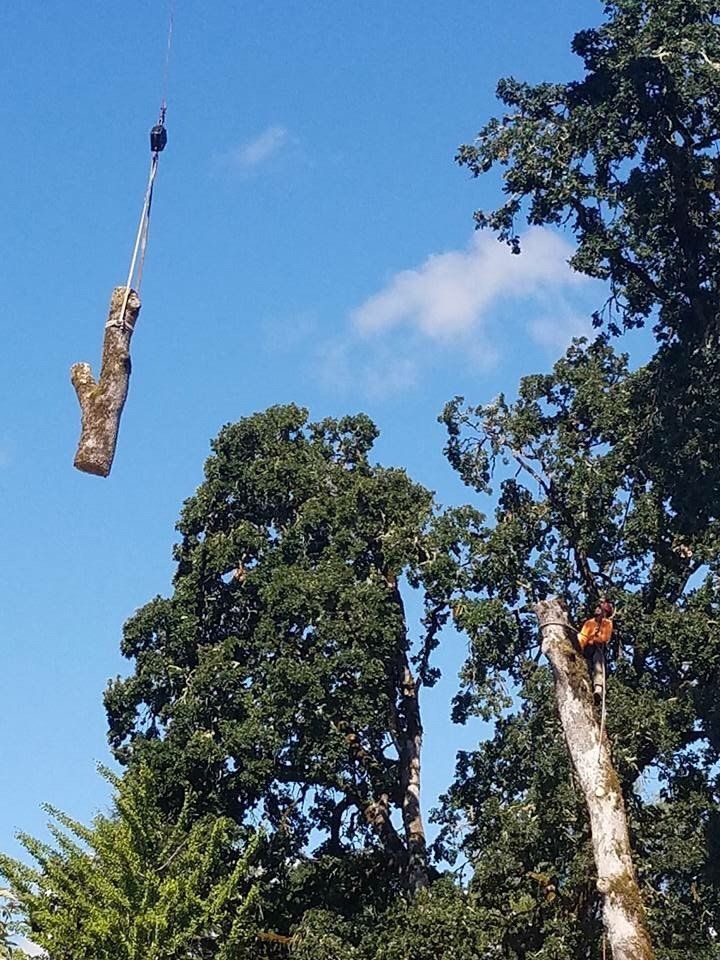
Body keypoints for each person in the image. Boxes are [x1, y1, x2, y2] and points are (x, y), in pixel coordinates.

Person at [578, 600, 614, 703]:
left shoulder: (607, 623)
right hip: (587, 649)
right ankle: (585, 688)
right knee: (585, 667)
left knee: (598, 665)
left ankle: (598, 688)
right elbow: (583, 636)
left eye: (599, 608)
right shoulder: (589, 623)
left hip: (598, 648)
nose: (596, 609)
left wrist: (595, 638)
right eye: (597, 607)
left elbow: (605, 638)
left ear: (604, 612)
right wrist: (579, 647)